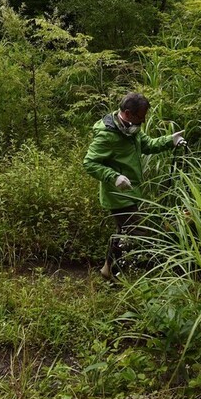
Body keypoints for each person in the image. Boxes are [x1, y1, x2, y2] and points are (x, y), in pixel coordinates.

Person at [83, 92, 186, 280]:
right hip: (117, 195)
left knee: (124, 232)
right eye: (141, 117)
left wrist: (170, 140)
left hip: (132, 192)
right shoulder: (107, 135)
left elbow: (147, 145)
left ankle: (109, 269)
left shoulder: (132, 130)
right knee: (141, 233)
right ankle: (152, 276)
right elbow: (89, 163)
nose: (143, 121)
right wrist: (114, 177)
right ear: (128, 113)